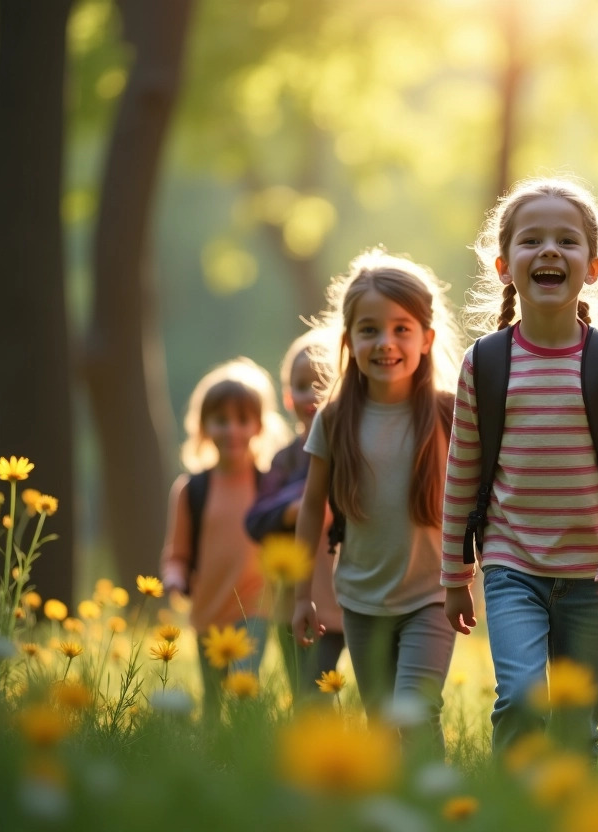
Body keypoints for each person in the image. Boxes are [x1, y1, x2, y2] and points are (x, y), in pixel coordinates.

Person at [440, 176, 598, 760]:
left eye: (567, 241)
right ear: (504, 265)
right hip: (511, 564)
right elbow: (461, 472)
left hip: (594, 571)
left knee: (576, 724)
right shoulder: (484, 363)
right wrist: (454, 573)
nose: (549, 251)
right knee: (520, 698)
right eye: (531, 241)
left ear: (593, 266)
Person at [292, 249, 463, 754]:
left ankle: (435, 804)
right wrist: (303, 595)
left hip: (432, 597)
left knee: (414, 710)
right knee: (383, 723)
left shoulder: (450, 415)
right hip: (360, 601)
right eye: (369, 330)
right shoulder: (335, 418)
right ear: (349, 341)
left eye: (401, 329)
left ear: (426, 339)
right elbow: (310, 508)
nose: (385, 343)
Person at [160, 357, 291, 719]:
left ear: (258, 427)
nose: (232, 429)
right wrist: (174, 576)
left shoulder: (268, 487)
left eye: (242, 420)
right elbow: (178, 552)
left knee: (243, 684)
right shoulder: (191, 490)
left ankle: (246, 748)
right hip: (207, 612)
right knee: (214, 698)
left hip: (255, 608)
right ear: (204, 427)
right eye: (221, 420)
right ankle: (217, 754)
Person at [245, 330, 345, 698]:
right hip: (295, 603)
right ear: (288, 397)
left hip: (352, 597)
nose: (314, 394)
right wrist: (295, 508)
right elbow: (255, 520)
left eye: (324, 382)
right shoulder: (285, 460)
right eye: (303, 385)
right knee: (308, 696)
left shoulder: (353, 450)